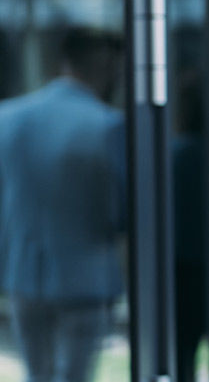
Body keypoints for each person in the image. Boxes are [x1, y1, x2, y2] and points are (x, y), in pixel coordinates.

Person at [0, 27, 126, 382]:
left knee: (36, 373)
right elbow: (122, 210)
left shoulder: (8, 118)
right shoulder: (108, 124)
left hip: (24, 271)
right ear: (106, 66)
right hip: (87, 275)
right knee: (74, 375)